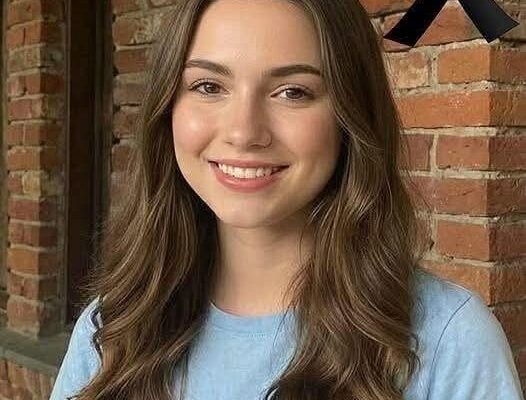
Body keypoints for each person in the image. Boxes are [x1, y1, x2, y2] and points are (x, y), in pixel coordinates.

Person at [50, 0, 524, 399]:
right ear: (168, 108)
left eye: (292, 92)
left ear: (350, 117)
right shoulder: (111, 331)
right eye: (208, 86)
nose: (244, 132)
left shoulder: (447, 342)